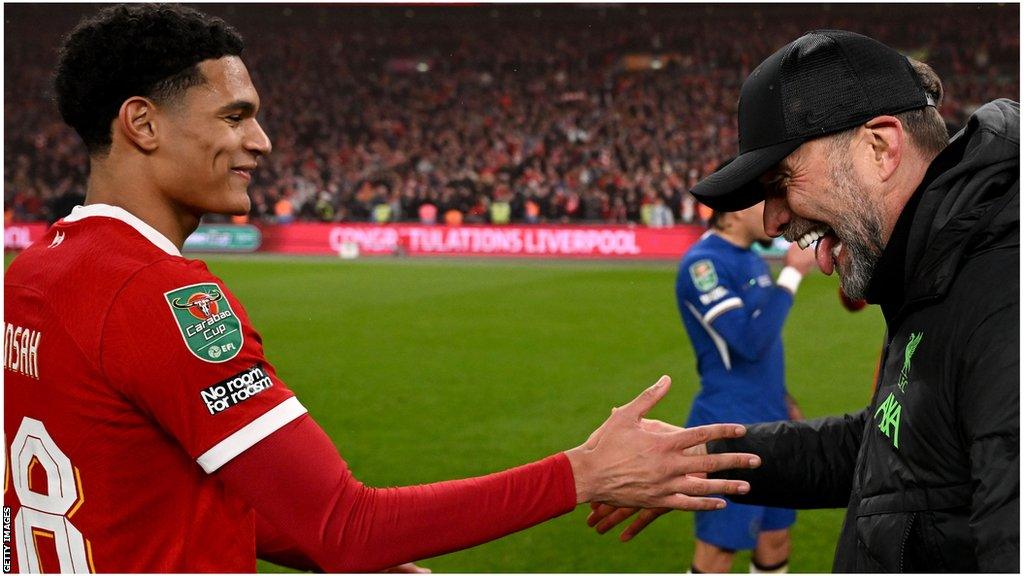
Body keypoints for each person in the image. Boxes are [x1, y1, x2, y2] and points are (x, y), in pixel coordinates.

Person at [1, 5, 765, 573]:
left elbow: (138, 490)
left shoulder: (32, 274)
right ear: (142, 124)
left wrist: (333, 553)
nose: (261, 142)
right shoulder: (160, 296)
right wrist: (587, 472)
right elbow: (346, 522)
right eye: (235, 116)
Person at [587, 30, 1018, 572]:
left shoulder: (1003, 294)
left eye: (783, 180)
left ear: (879, 148)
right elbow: (891, 449)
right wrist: (700, 459)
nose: (772, 220)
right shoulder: (939, 268)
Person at [672, 200, 815, 573]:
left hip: (771, 418)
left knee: (775, 539)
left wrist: (783, 399)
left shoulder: (750, 257)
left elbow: (764, 347)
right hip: (728, 424)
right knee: (718, 551)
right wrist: (792, 276)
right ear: (732, 211)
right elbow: (748, 343)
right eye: (761, 203)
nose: (774, 211)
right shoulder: (703, 265)